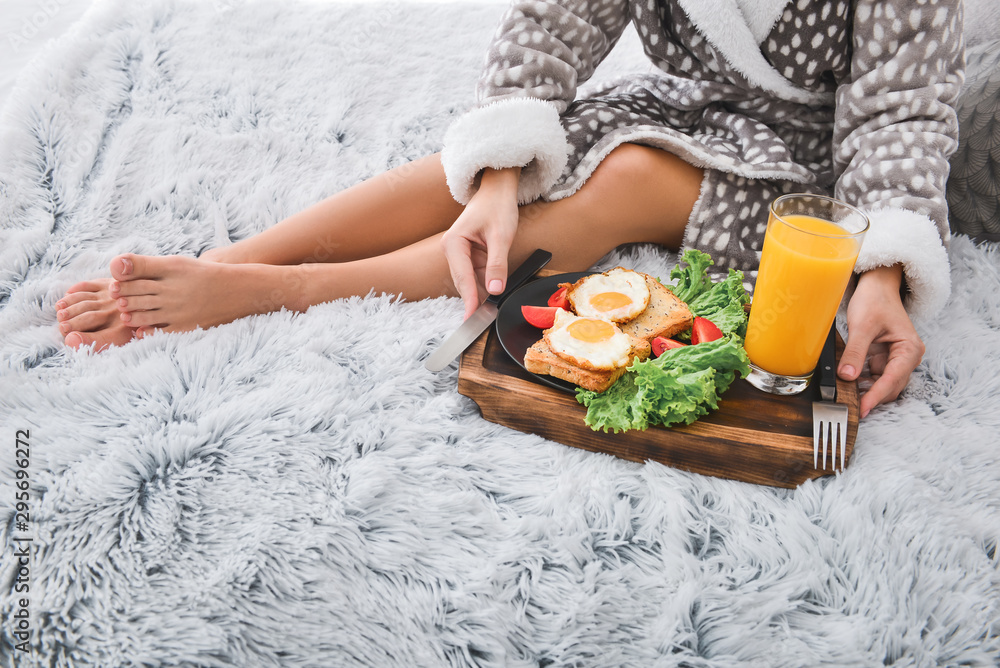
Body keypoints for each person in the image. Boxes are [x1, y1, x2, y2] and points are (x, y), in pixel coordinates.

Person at [53, 0, 963, 419]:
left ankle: (285, 291)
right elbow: (554, 25)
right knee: (503, 163)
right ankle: (241, 256)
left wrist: (882, 270)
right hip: (691, 106)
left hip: (813, 172)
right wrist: (496, 176)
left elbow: (901, 115)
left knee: (630, 176)